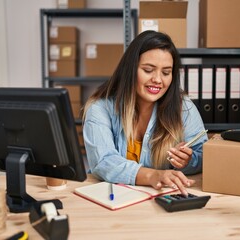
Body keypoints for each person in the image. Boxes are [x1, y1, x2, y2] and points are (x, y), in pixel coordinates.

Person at [82, 30, 207, 196]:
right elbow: (103, 161)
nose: (157, 79)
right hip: (111, 198)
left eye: (166, 72)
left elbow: (204, 155)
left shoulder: (184, 108)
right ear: (130, 70)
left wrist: (188, 161)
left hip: (161, 198)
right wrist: (152, 175)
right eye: (148, 70)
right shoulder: (100, 108)